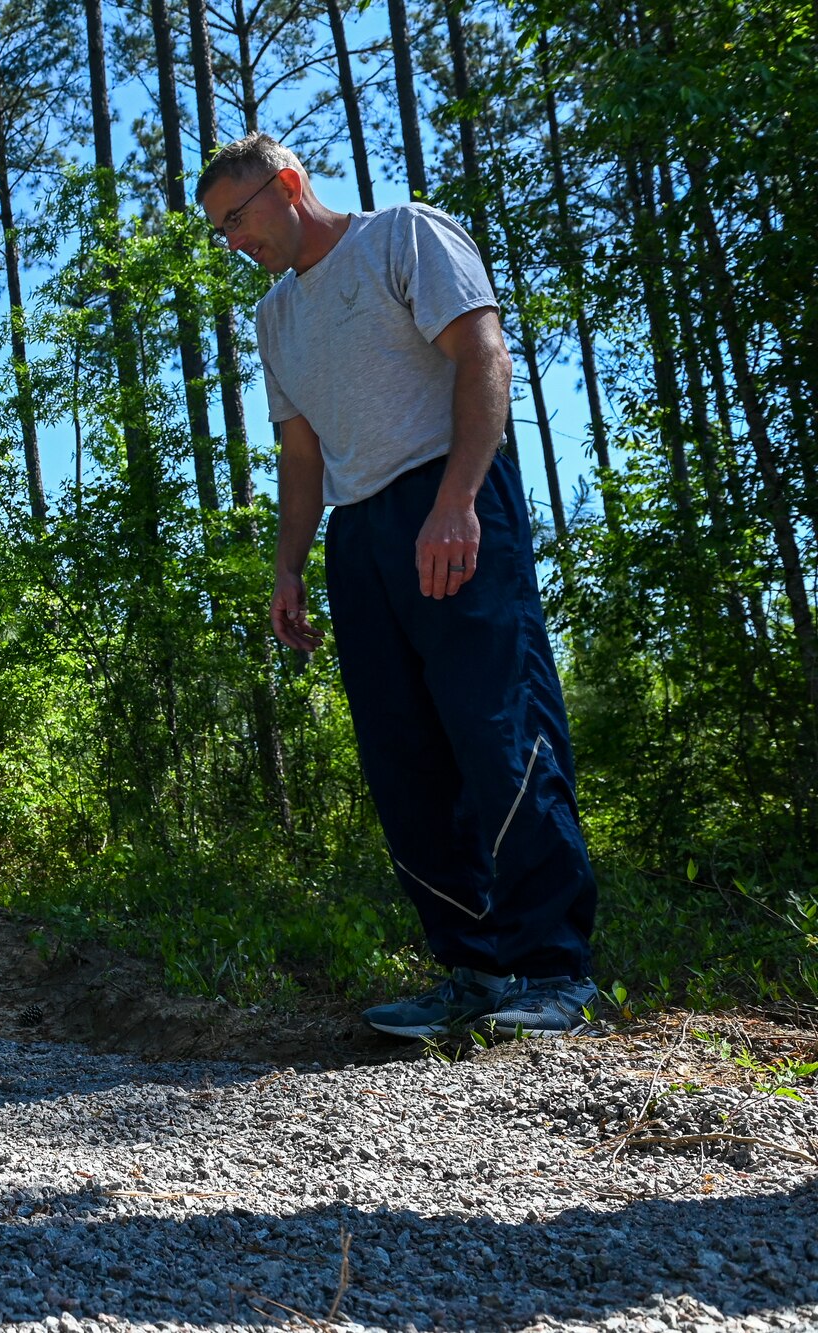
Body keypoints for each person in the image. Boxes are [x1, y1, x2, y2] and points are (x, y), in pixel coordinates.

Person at [195, 133, 599, 1037]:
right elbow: (301, 452)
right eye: (218, 230)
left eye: (238, 216)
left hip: (447, 495)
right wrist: (289, 566)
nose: (233, 240)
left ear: (288, 183)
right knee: (403, 754)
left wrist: (458, 500)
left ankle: (555, 969)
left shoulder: (402, 236)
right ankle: (472, 970)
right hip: (358, 532)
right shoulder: (275, 318)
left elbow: (482, 354)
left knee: (498, 726)